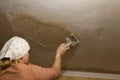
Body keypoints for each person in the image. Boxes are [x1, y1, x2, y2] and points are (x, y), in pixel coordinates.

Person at [0, 36, 71, 80]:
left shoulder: (4, 68)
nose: (29, 54)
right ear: (21, 56)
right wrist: (59, 54)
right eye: (27, 52)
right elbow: (56, 71)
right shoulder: (31, 71)